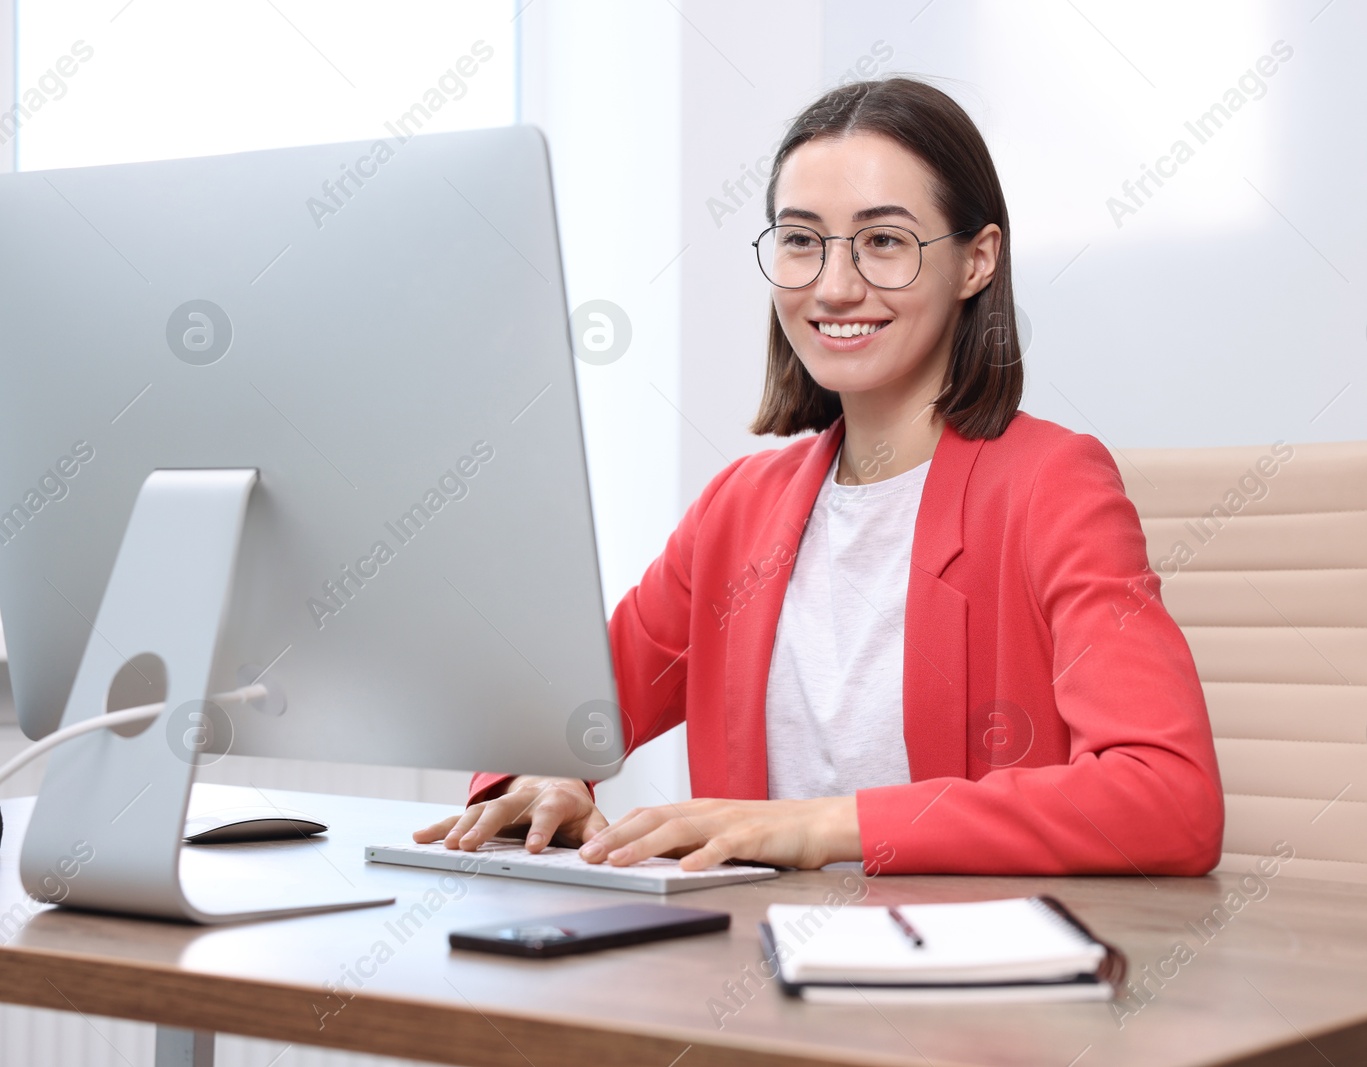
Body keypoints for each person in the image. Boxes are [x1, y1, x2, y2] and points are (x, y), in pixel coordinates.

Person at [415, 75, 1224, 876]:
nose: (834, 287)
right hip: (744, 979)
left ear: (977, 260)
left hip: (964, 979)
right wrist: (540, 778)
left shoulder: (1052, 484)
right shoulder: (739, 509)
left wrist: (822, 826)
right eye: (802, 240)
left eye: (883, 240)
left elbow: (1169, 799)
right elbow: (564, 717)